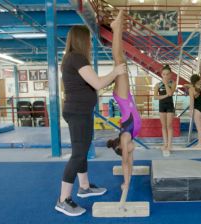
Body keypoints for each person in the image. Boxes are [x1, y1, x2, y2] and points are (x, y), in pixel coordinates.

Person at [55, 25, 127, 217]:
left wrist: (112, 77)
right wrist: (116, 71)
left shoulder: (73, 58)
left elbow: (92, 84)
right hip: (77, 112)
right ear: (82, 40)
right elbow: (97, 83)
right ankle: (62, 200)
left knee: (82, 151)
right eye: (89, 40)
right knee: (78, 154)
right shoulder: (76, 58)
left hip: (81, 111)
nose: (90, 43)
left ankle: (84, 187)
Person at [106, 10, 141, 192]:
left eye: (128, 150)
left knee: (119, 60)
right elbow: (131, 161)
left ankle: (115, 28)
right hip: (126, 96)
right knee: (121, 60)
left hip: (123, 97)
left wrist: (126, 183)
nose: (131, 151)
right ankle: (116, 28)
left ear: (121, 146)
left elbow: (126, 162)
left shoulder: (126, 137)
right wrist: (131, 174)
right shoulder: (130, 136)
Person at [154, 65, 176, 156]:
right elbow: (156, 97)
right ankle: (165, 143)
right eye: (164, 74)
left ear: (170, 75)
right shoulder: (157, 85)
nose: (165, 76)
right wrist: (165, 96)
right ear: (161, 74)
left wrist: (166, 83)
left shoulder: (172, 83)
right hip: (162, 106)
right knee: (163, 126)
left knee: (169, 125)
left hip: (170, 106)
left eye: (167, 74)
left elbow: (170, 93)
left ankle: (170, 145)